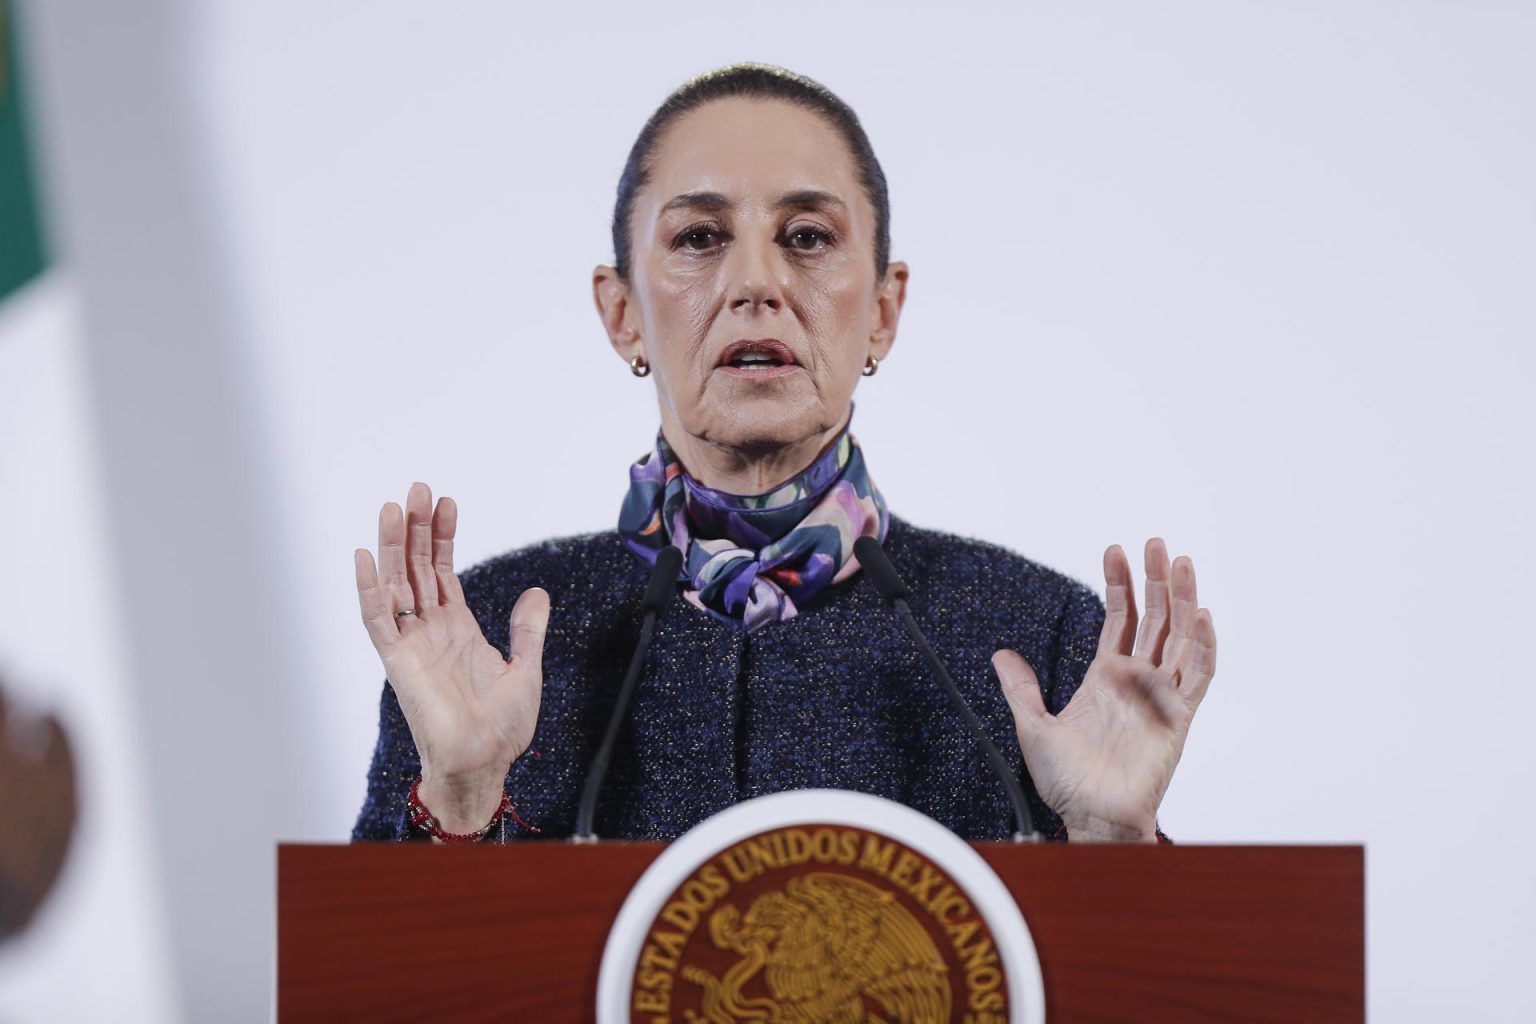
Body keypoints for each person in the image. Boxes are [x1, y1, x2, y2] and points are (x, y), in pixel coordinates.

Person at [350, 63, 1217, 845]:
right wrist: (459, 799)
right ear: (622, 315)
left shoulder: (1043, 637)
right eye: (699, 238)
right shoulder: (482, 639)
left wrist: (1114, 848)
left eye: (807, 237)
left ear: (882, 309)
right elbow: (371, 990)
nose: (754, 284)